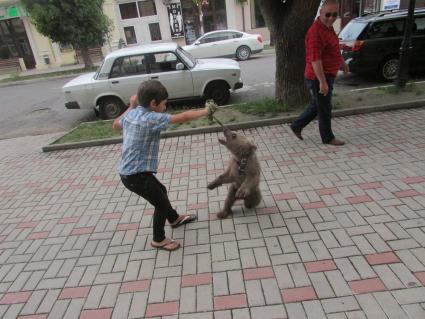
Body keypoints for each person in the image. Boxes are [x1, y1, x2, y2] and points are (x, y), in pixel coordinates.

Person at [113, 80, 217, 251]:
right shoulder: (152, 118)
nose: (165, 106)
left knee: (160, 191)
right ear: (153, 104)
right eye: (164, 103)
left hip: (131, 172)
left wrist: (131, 106)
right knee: (160, 202)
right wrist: (206, 111)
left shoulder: (132, 113)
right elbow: (183, 117)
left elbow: (115, 125)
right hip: (135, 176)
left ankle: (174, 218)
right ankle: (158, 239)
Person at [290, 0, 349, 146]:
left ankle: (297, 125)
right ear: (321, 14)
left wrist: (342, 63)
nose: (331, 17)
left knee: (318, 105)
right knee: (324, 108)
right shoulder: (316, 33)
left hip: (326, 75)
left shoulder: (327, 28)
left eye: (334, 14)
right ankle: (328, 137)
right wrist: (322, 82)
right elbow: (315, 60)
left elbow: (334, 48)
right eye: (328, 14)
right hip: (318, 77)